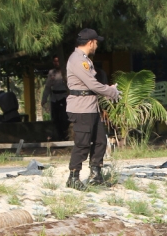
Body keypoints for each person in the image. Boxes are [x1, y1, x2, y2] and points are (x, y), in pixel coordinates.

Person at [66, 28, 120, 189]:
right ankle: (73, 177)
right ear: (90, 43)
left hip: (90, 106)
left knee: (100, 141)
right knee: (82, 143)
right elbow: (92, 84)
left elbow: (91, 85)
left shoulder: (83, 58)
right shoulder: (78, 60)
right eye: (96, 42)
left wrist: (108, 90)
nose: (96, 45)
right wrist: (111, 91)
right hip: (81, 107)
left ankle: (96, 174)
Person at [42, 55, 69, 140]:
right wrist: (44, 99)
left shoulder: (66, 72)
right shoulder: (51, 73)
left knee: (64, 118)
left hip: (64, 97)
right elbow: (47, 87)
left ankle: (65, 137)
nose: (56, 63)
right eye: (55, 61)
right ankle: (58, 137)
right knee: (55, 119)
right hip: (54, 98)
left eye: (58, 61)